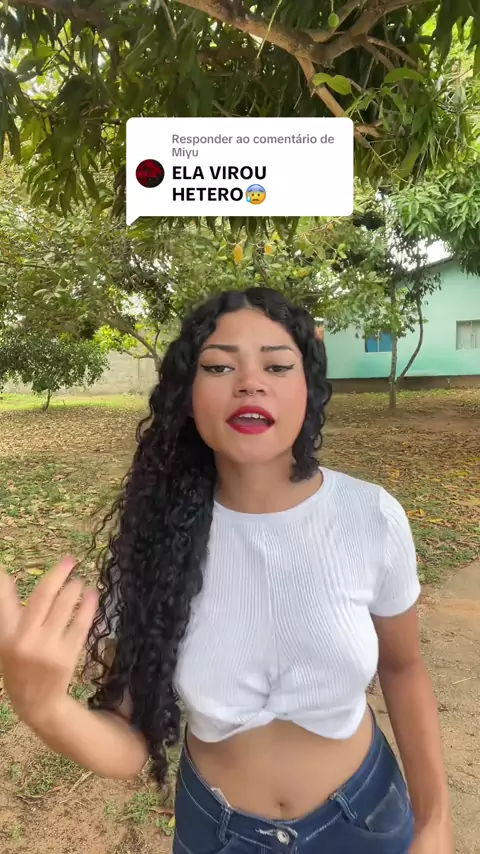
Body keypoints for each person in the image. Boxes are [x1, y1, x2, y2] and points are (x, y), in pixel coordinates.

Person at [0, 288, 453, 854]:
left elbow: (404, 668)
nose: (249, 382)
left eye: (277, 365)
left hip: (366, 819)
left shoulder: (370, 516)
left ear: (308, 388)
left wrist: (435, 819)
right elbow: (128, 743)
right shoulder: (156, 541)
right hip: (218, 835)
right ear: (188, 397)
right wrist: (44, 708)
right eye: (218, 366)